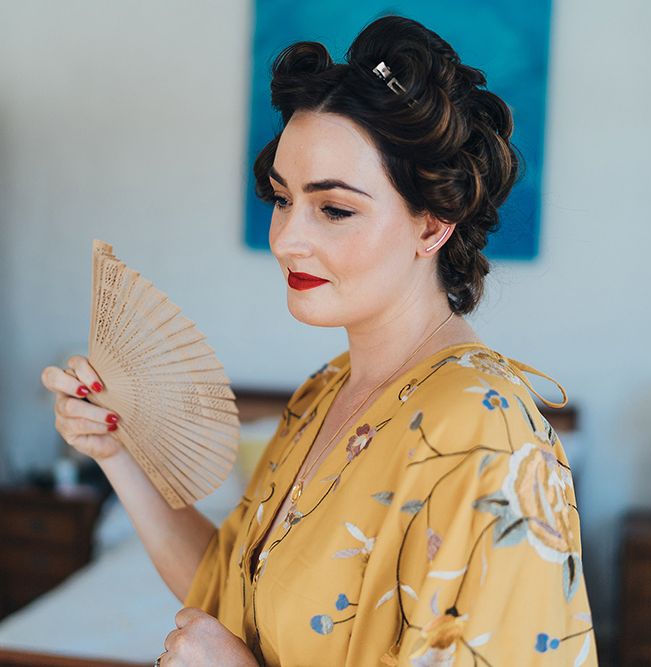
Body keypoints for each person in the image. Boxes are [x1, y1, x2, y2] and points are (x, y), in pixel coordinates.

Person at [41, 14, 597, 666]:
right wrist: (116, 450)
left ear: (432, 224)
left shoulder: (485, 435)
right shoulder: (323, 393)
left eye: (333, 208)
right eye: (282, 198)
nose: (287, 238)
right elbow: (226, 589)